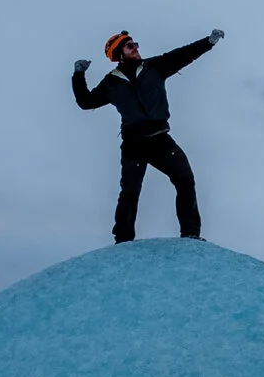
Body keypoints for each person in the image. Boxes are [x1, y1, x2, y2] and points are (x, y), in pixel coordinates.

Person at [73, 29, 224, 242]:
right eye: (130, 45)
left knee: (185, 179)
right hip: (134, 145)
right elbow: (86, 102)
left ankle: (190, 234)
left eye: (135, 44)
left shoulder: (154, 67)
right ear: (119, 53)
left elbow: (181, 55)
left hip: (160, 140)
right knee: (130, 193)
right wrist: (78, 74)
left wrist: (208, 42)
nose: (136, 48)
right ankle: (123, 241)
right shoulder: (111, 83)